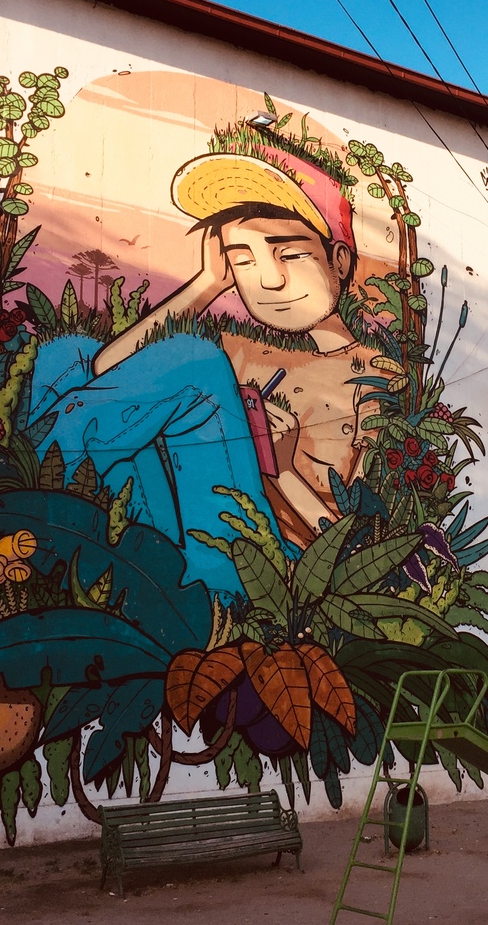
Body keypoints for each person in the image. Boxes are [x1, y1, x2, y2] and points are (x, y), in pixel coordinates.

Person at [26, 123, 380, 591]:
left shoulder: (376, 377)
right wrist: (207, 283)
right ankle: (44, 489)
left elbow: (359, 549)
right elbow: (104, 369)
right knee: (68, 352)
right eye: (243, 259)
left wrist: (285, 466)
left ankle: (27, 485)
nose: (268, 281)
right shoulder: (244, 347)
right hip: (182, 515)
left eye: (289, 254)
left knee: (193, 360)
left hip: (266, 564)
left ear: (338, 259)